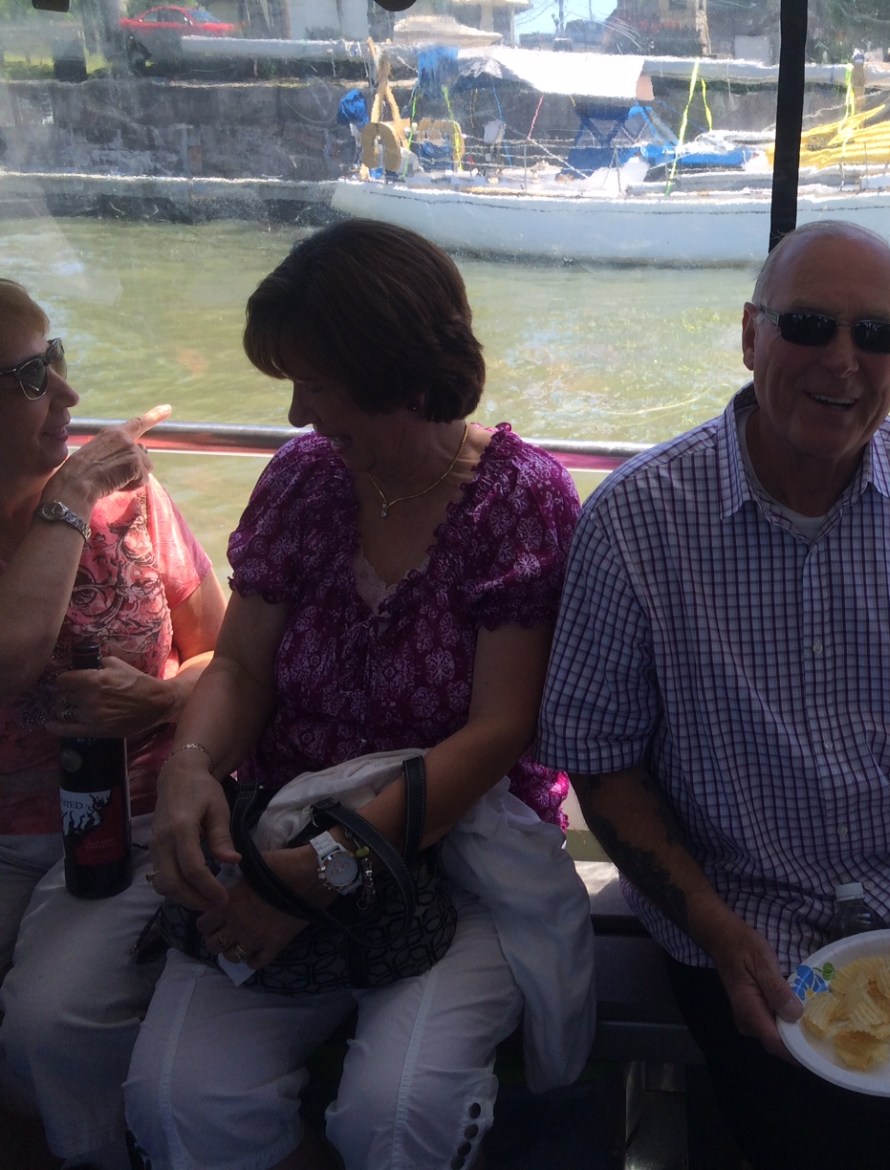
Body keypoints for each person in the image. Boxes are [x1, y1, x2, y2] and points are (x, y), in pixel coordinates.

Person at [536, 220, 890, 1169]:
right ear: (749, 335)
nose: (842, 361)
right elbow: (600, 764)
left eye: (876, 336)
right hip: (736, 911)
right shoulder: (636, 522)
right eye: (809, 326)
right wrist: (711, 926)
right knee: (798, 1134)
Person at [125, 220, 590, 1170]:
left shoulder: (519, 500)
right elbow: (244, 668)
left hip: (462, 861)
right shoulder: (304, 484)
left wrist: (333, 873)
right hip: (288, 829)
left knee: (398, 1109)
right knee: (178, 1098)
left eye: (316, 384)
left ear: (400, 377)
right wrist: (191, 768)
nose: (296, 413)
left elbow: (501, 729)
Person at [0, 279, 225, 1170]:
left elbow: (228, 656)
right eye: (28, 376)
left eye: (56, 360)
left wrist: (164, 700)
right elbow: (13, 655)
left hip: (127, 822)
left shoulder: (130, 504)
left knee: (51, 1020)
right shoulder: (90, 490)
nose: (69, 395)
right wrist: (72, 493)